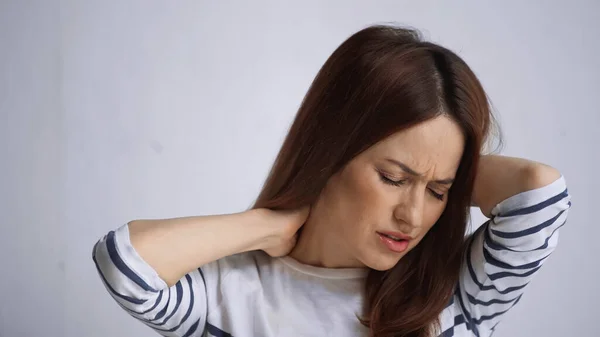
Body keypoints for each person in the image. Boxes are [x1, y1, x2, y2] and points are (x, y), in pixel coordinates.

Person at [92, 25, 571, 337]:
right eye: (391, 178)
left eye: (438, 192)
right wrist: (268, 226)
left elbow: (540, 192)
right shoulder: (227, 297)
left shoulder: (458, 294)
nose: (412, 215)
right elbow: (126, 262)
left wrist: (447, 164)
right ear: (331, 151)